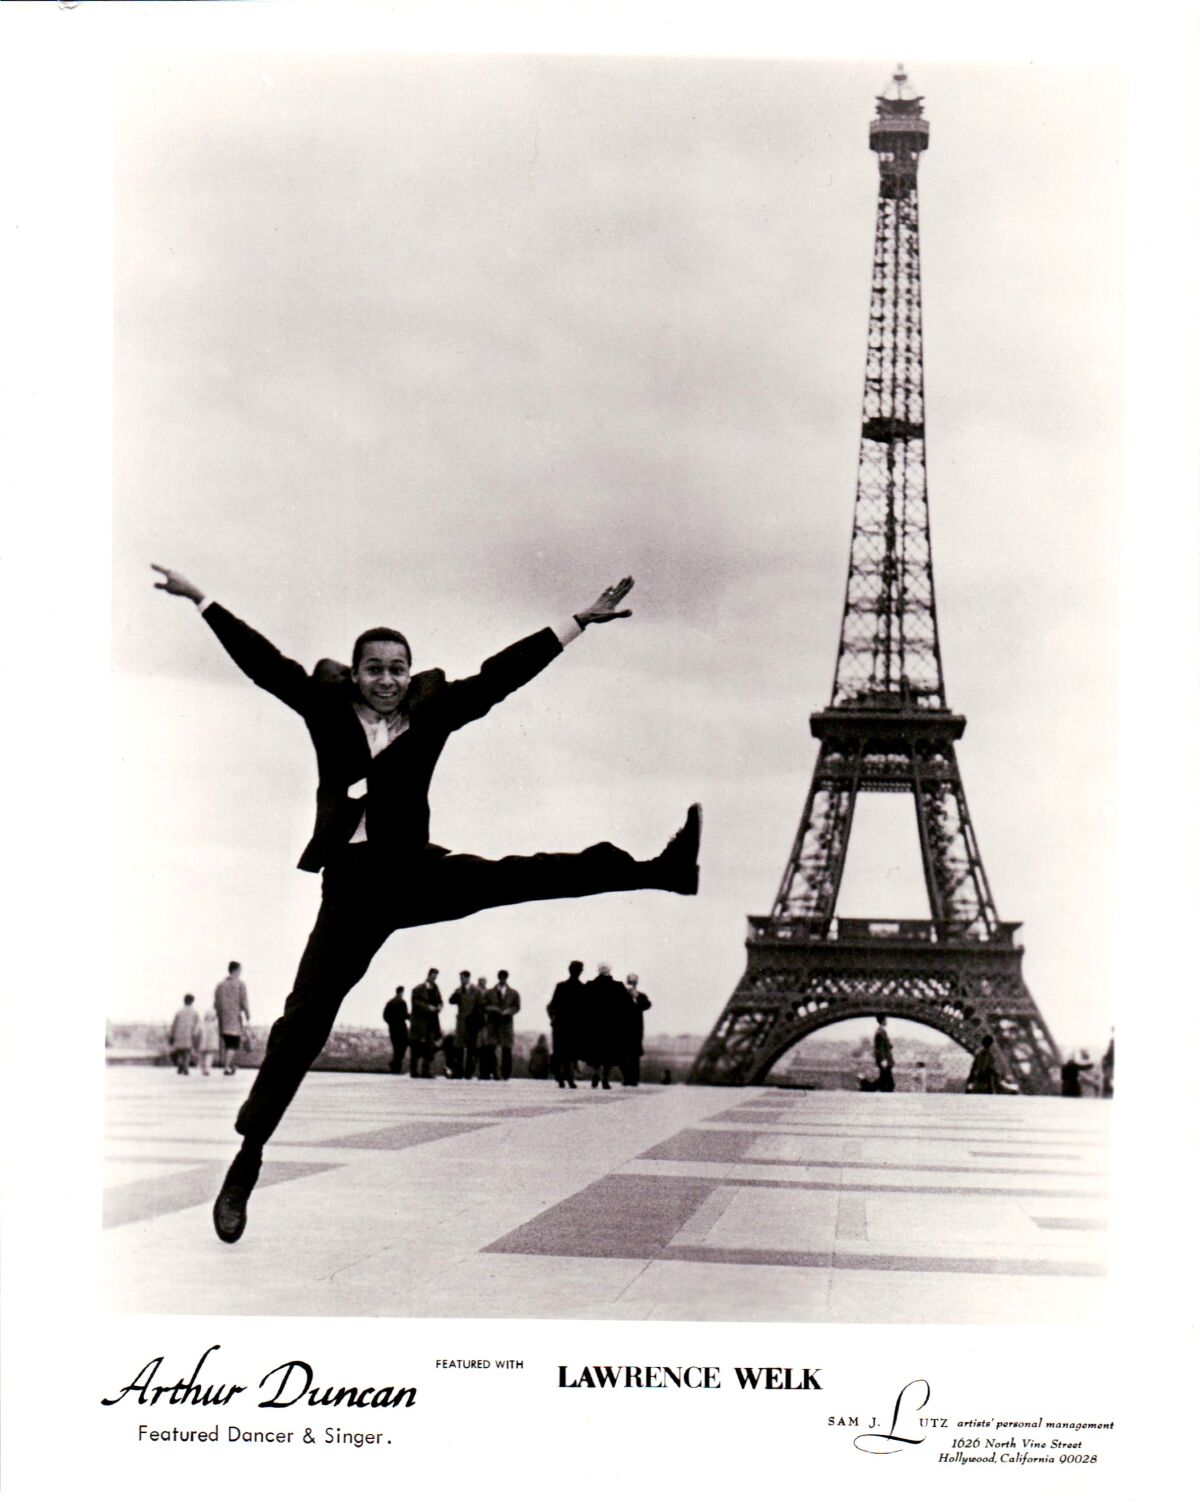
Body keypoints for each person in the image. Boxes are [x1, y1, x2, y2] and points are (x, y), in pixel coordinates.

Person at [154, 564, 702, 1243]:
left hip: (413, 873)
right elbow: (264, 664)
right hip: (352, 891)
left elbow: (501, 677)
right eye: (374, 669)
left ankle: (660, 870)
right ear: (354, 674)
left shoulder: (433, 713)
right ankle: (248, 1158)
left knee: (517, 875)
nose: (386, 680)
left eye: (398, 669)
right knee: (303, 1022)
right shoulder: (324, 710)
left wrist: (578, 622)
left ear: (411, 674)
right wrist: (204, 601)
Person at [584, 963, 627, 1089]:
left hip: (594, 1024)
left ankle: (596, 1074)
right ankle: (604, 1077)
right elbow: (625, 1005)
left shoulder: (590, 985)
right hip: (611, 1025)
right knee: (608, 1054)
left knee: (595, 1053)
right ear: (609, 971)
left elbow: (583, 1004)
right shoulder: (618, 986)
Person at [547, 960, 586, 1088]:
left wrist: (553, 1018)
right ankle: (568, 1077)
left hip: (561, 1024)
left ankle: (562, 1076)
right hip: (572, 1025)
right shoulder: (582, 988)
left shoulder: (561, 986)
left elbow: (551, 1006)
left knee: (561, 1051)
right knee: (570, 1053)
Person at [214, 961, 251, 1077]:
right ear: (235, 970)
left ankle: (229, 1065)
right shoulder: (240, 984)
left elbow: (216, 1003)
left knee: (228, 1044)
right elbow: (244, 1001)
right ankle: (226, 1067)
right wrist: (248, 1014)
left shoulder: (220, 985)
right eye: (240, 970)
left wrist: (220, 1015)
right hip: (234, 1019)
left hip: (223, 1020)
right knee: (233, 1045)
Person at [487, 970, 521, 1081]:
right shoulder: (490, 992)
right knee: (492, 1049)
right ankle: (494, 1072)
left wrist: (508, 1011)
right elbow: (484, 1005)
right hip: (493, 1023)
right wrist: (494, 1009)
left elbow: (517, 1007)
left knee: (506, 1049)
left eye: (504, 977)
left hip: (506, 1024)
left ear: (506, 978)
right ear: (498, 978)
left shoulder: (514, 993)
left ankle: (506, 1074)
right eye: (501, 977)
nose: (502, 979)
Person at [409, 968, 443, 1079]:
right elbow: (416, 1003)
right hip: (420, 1023)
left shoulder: (436, 988)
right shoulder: (418, 989)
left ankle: (426, 1070)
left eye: (435, 977)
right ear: (428, 976)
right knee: (416, 1047)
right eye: (433, 976)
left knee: (430, 1048)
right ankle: (414, 1071)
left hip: (432, 1022)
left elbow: (440, 1001)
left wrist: (439, 1006)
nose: (434, 979)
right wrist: (428, 1007)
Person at [621, 973, 652, 1086]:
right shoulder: (622, 994)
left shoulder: (641, 995)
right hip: (624, 1028)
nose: (632, 984)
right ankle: (626, 1078)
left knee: (635, 1054)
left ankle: (634, 1079)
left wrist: (637, 997)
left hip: (636, 1029)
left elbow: (647, 1005)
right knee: (624, 1054)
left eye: (634, 982)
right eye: (631, 981)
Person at [448, 971, 480, 1079]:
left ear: (467, 978)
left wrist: (476, 1019)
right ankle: (459, 1071)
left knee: (471, 1047)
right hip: (461, 1021)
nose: (461, 980)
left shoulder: (476, 990)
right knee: (459, 1046)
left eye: (462, 978)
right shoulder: (459, 990)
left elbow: (480, 1005)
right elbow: (451, 1001)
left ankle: (469, 1072)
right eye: (460, 978)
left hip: (472, 1021)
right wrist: (456, 994)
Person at [169, 994, 201, 1075]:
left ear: (184, 1001)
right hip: (188, 1034)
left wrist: (172, 1035)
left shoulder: (179, 1012)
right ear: (192, 1001)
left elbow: (174, 1024)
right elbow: (197, 1024)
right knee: (187, 1051)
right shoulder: (194, 1013)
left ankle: (180, 1064)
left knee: (180, 1051)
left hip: (178, 1033)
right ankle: (185, 1067)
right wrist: (195, 1034)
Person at [382, 985, 409, 1074]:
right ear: (401, 992)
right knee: (402, 1047)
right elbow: (405, 1015)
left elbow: (385, 1015)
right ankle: (395, 1065)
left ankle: (395, 1066)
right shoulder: (402, 1002)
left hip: (393, 1028)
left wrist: (390, 1023)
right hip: (401, 1028)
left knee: (396, 1047)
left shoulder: (390, 1003)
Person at [873, 1014, 895, 1093]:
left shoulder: (880, 1031)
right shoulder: (880, 1032)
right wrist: (883, 1059)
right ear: (883, 1020)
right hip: (885, 1059)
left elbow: (881, 1046)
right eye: (886, 1019)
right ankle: (867, 1086)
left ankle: (867, 1086)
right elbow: (881, 1047)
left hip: (884, 1059)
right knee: (888, 1081)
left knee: (884, 1079)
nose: (887, 1021)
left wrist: (889, 1045)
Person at [199, 1005, 221, 1077]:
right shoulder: (216, 1024)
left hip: (202, 1042)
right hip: (212, 1042)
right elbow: (218, 1032)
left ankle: (203, 1069)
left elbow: (197, 1032)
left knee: (202, 1056)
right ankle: (207, 1069)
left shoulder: (201, 1023)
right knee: (209, 1056)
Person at [1101, 1031, 1114, 1099]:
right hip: (1110, 1067)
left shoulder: (1112, 1046)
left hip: (1110, 1067)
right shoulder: (1111, 1046)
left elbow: (1107, 1057)